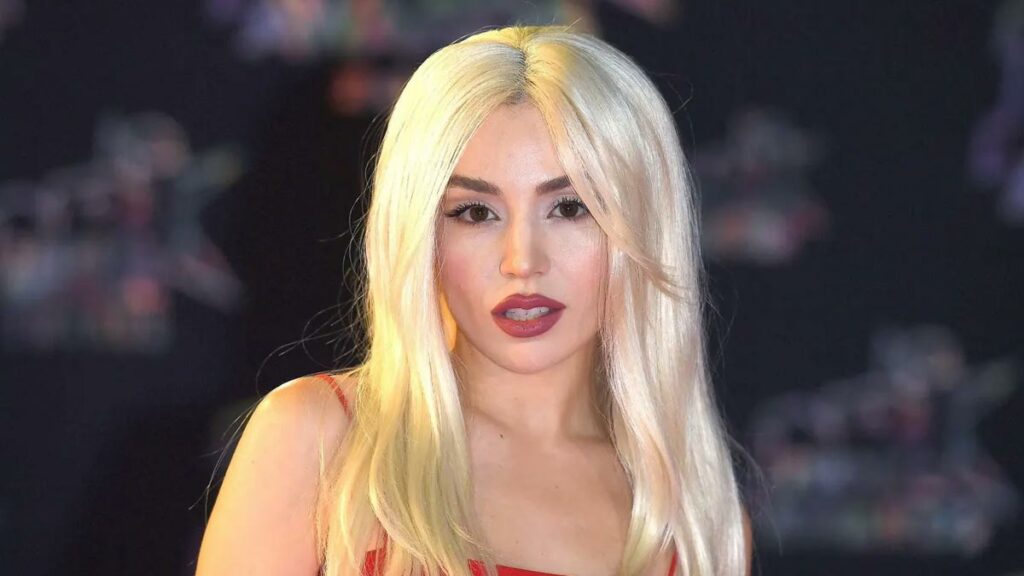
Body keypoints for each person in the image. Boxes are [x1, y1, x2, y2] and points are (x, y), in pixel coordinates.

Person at [195, 25, 752, 576]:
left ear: (644, 222)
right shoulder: (319, 441)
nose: (522, 261)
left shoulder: (697, 523)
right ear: (421, 233)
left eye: (570, 207)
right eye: (476, 213)